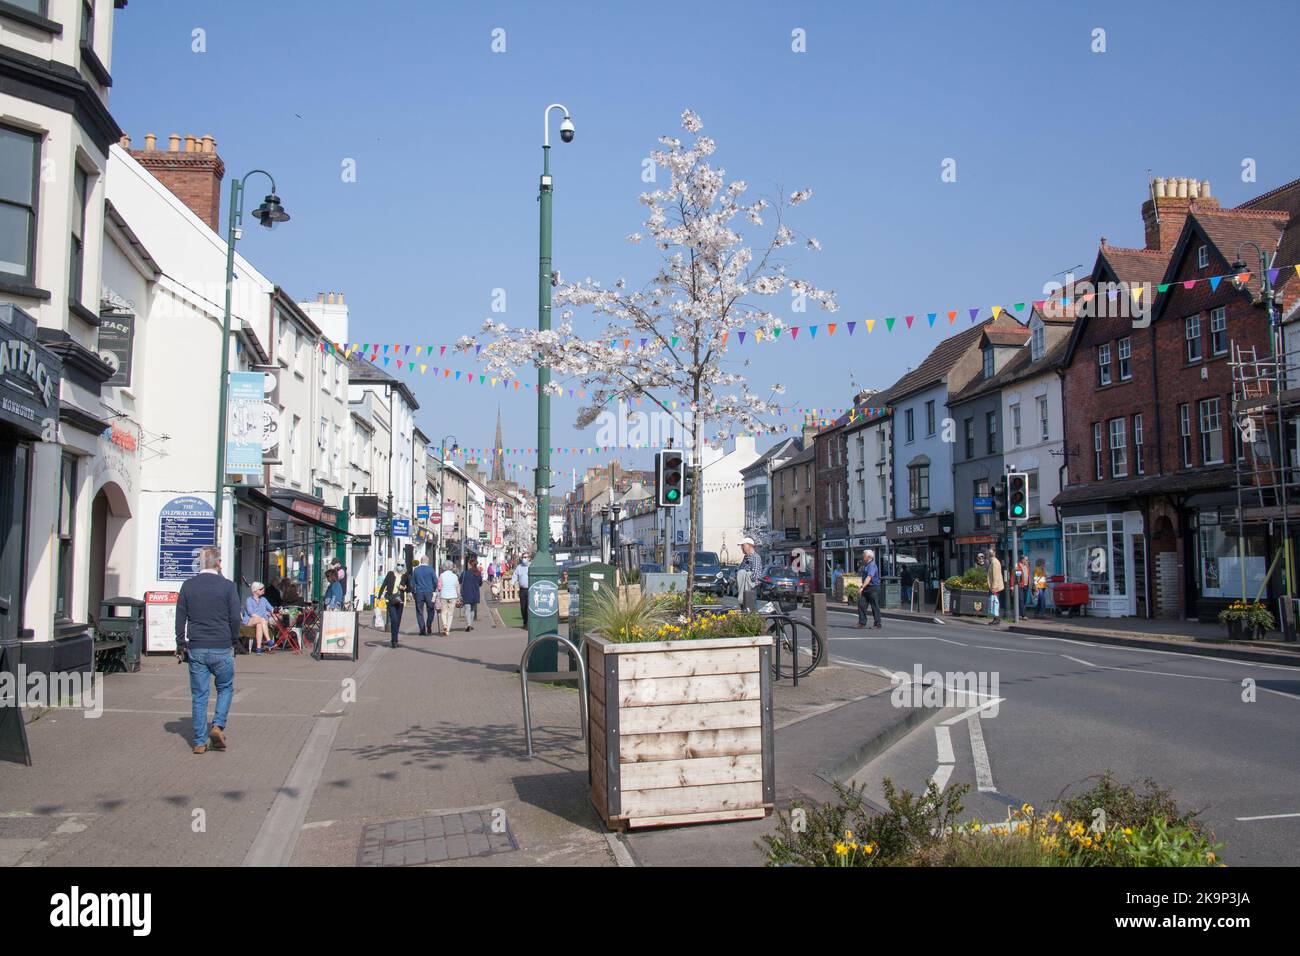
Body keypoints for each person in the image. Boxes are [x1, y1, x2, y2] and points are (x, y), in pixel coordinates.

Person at [175, 546, 240, 754]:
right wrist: (233, 640)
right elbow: (234, 617)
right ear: (218, 563)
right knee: (225, 688)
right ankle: (218, 725)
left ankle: (200, 741)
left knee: (200, 696)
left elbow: (180, 618)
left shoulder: (188, 586)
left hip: (197, 646)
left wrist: (180, 643)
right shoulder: (228, 587)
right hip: (222, 645)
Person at [380, 563, 411, 647]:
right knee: (394, 620)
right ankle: (394, 641)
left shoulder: (405, 575)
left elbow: (409, 588)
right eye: (398, 564)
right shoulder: (390, 574)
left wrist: (404, 588)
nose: (400, 566)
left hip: (399, 601)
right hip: (390, 600)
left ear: (404, 566)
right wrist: (379, 596)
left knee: (397, 621)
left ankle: (395, 639)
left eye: (401, 565)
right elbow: (384, 584)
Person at [242, 581, 275, 654]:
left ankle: (258, 648)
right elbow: (251, 613)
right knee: (262, 620)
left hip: (260, 622)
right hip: (250, 621)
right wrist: (263, 616)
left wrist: (275, 611)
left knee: (259, 624)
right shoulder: (249, 600)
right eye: (261, 589)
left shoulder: (264, 600)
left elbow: (271, 608)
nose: (263, 590)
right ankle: (269, 640)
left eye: (263, 588)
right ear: (255, 590)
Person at [410, 556, 437, 636]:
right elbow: (435, 581)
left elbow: (412, 583)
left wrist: (413, 592)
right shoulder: (431, 570)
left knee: (419, 611)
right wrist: (434, 589)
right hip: (429, 592)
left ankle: (422, 629)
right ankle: (428, 624)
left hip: (419, 592)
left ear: (421, 561)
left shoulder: (416, 570)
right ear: (428, 562)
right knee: (431, 609)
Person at [857, 548, 882, 629]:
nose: (863, 557)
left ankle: (877, 624)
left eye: (864, 556)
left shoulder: (872, 565)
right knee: (861, 604)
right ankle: (862, 622)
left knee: (874, 606)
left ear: (869, 557)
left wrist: (862, 587)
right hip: (866, 588)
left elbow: (869, 577)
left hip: (873, 588)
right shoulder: (866, 565)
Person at [736, 537, 764, 607]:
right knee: (746, 607)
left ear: (749, 545)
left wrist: (747, 576)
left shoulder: (755, 557)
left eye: (743, 545)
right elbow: (740, 569)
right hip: (745, 590)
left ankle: (755, 617)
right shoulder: (746, 557)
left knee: (751, 607)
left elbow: (756, 575)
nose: (741, 548)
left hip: (751, 588)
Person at [436, 560, 461, 636]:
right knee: (450, 614)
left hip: (444, 595)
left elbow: (439, 587)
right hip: (453, 596)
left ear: (444, 567)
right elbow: (457, 587)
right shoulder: (455, 576)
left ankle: (444, 625)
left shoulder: (441, 575)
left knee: (443, 612)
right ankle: (448, 629)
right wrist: (458, 596)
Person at [460, 556, 482, 631]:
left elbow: (460, 581)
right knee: (472, 609)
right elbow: (480, 584)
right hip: (475, 593)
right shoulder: (478, 573)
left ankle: (469, 624)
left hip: (466, 593)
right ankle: (470, 624)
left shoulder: (465, 573)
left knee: (467, 608)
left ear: (470, 564)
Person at [986, 549, 1004, 625]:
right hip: (994, 586)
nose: (986, 556)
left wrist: (993, 587)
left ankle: (997, 619)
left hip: (995, 587)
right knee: (994, 602)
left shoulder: (994, 563)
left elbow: (995, 576)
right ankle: (996, 618)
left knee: (995, 602)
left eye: (986, 555)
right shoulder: (993, 562)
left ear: (989, 555)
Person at [512, 554, 530, 628]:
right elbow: (515, 576)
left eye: (525, 557)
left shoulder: (531, 566)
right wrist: (512, 582)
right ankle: (525, 622)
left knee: (530, 607)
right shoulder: (519, 567)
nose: (524, 559)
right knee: (523, 607)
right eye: (523, 557)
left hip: (530, 589)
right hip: (523, 590)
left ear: (529, 558)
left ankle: (529, 623)